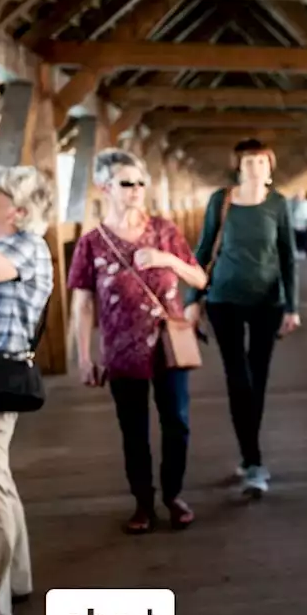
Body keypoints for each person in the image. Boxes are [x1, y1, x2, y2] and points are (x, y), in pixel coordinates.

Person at [69, 150, 207, 534]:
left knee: (176, 421)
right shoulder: (92, 243)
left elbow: (199, 279)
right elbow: (82, 303)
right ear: (105, 188)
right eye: (126, 183)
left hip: (168, 344)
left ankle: (174, 494)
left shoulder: (164, 231)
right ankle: (143, 502)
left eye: (140, 183)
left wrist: (167, 258)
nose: (135, 191)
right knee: (134, 429)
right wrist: (83, 356)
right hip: (121, 349)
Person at [185, 139, 300, 498]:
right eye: (248, 162)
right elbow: (204, 248)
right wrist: (193, 298)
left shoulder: (277, 204)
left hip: (267, 302)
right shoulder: (221, 201)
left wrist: (293, 306)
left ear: (270, 166)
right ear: (238, 166)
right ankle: (253, 462)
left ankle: (248, 452)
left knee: (258, 379)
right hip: (224, 300)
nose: (255, 168)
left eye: (261, 162)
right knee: (238, 377)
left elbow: (288, 257)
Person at [0, 166, 52, 615]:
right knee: (0, 481)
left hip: (1, 374)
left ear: (19, 208)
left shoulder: (26, 247)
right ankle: (18, 580)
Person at [290, 191, 307, 258]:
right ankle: (298, 252)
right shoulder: (294, 203)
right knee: (297, 240)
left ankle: (303, 253)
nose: (299, 196)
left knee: (303, 240)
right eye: (298, 195)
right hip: (296, 225)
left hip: (303, 225)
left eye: (301, 195)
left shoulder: (306, 204)